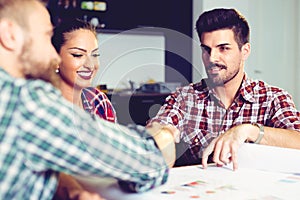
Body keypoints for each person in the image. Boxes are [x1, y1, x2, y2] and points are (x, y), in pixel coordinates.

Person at [0, 0, 177, 199]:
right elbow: (145, 164)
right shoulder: (27, 100)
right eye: (46, 36)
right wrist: (163, 135)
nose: (52, 54)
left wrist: (69, 190)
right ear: (9, 35)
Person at [147, 8, 300, 170]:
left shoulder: (273, 98)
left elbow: (297, 139)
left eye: (223, 48)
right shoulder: (184, 98)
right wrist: (161, 134)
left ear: (245, 51)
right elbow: (157, 128)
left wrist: (248, 131)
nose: (212, 58)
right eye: (206, 49)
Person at [52, 18, 116, 122]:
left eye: (95, 55)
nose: (90, 65)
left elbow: (115, 137)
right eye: (78, 55)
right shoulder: (46, 106)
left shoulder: (98, 100)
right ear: (55, 59)